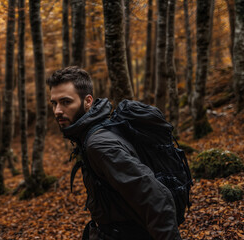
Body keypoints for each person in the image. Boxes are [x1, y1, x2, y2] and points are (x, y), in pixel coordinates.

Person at [47, 66, 181, 240]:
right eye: (54, 103)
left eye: (66, 102)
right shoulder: (95, 132)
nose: (57, 111)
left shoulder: (99, 145)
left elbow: (158, 199)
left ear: (88, 101)